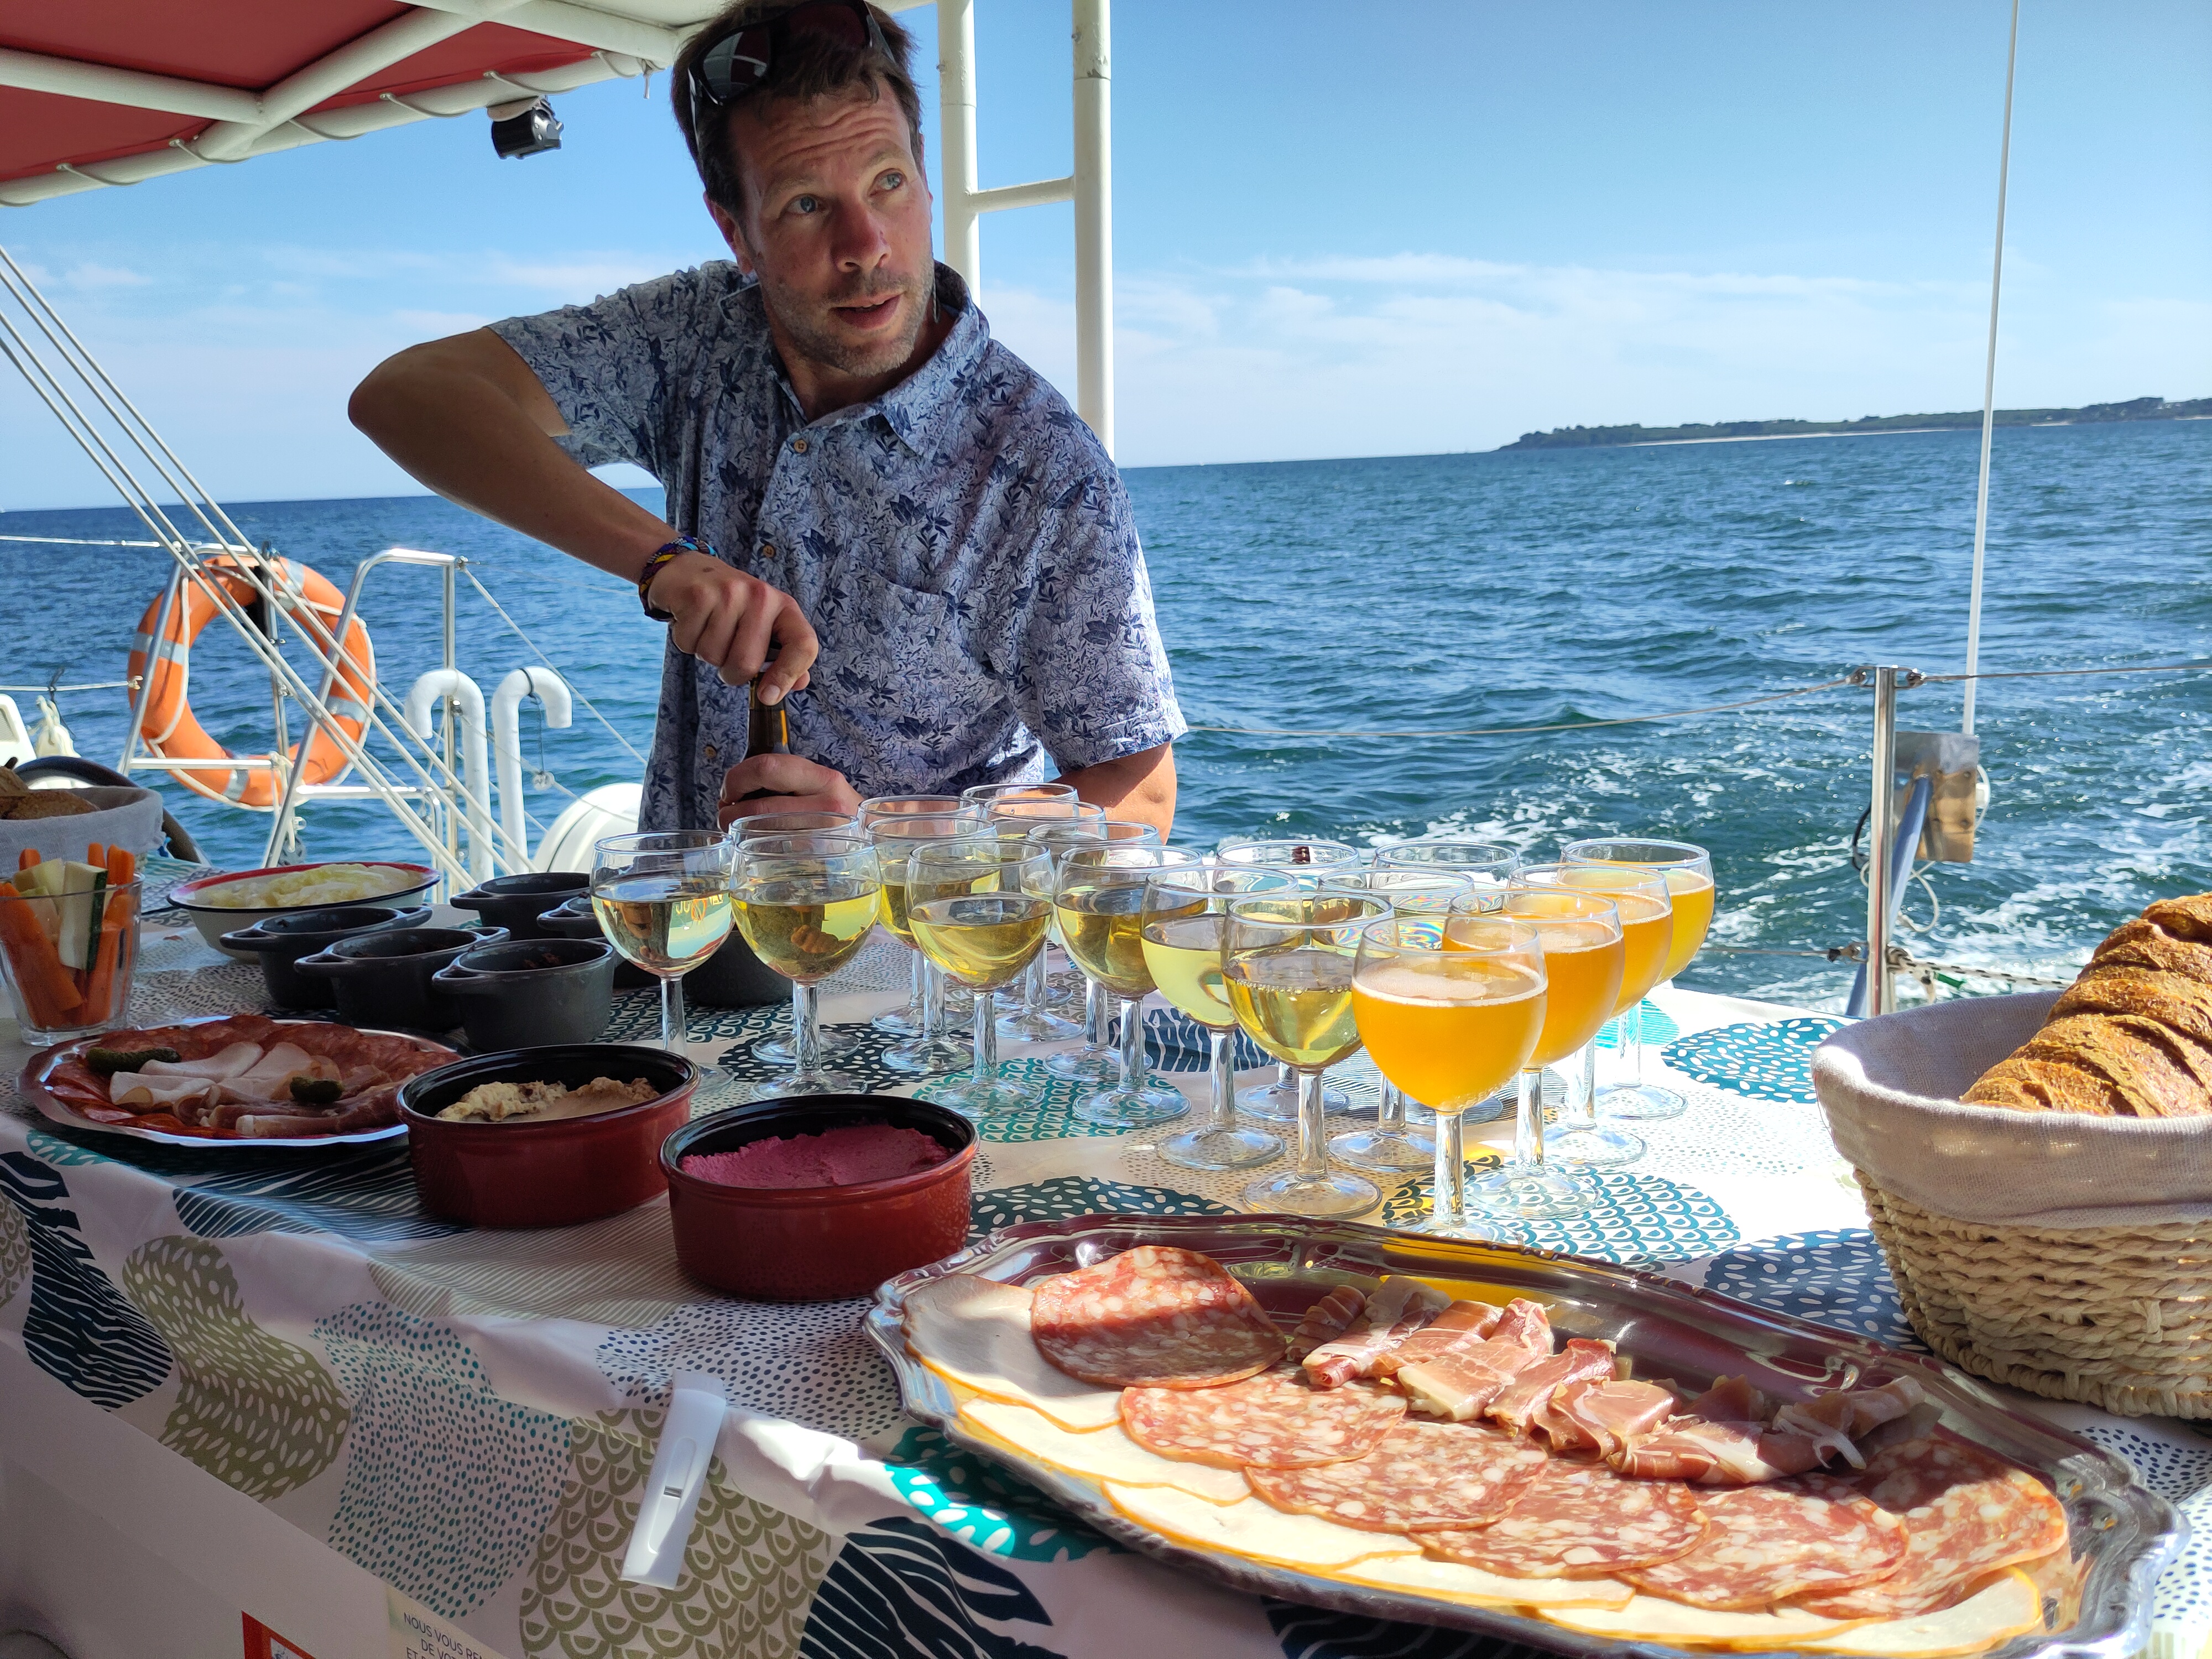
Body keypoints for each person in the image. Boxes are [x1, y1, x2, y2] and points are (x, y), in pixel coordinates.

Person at [348, 0, 1183, 837]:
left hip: (916, 962)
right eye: (805, 205)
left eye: (887, 182)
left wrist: (884, 835)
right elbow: (407, 395)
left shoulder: (1042, 469)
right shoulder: (697, 335)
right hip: (687, 947)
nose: (867, 244)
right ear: (734, 230)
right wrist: (661, 560)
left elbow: (1141, 797)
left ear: (926, 176)